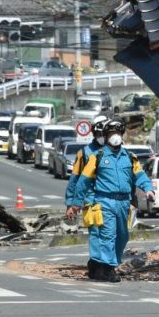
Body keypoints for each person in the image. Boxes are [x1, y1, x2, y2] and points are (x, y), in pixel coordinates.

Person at [74, 119, 154, 282]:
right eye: (111, 133)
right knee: (108, 235)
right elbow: (84, 180)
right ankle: (109, 268)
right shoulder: (97, 156)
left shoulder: (130, 157)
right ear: (106, 136)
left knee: (122, 236)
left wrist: (148, 189)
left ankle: (102, 265)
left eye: (118, 133)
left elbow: (140, 175)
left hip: (124, 203)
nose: (115, 136)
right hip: (104, 201)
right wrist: (76, 202)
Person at [65, 115, 108, 279]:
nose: (102, 137)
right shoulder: (84, 153)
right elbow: (75, 179)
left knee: (113, 234)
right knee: (96, 233)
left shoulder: (118, 151)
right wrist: (71, 203)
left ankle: (108, 263)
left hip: (112, 201)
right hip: (91, 200)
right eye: (99, 134)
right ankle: (97, 265)